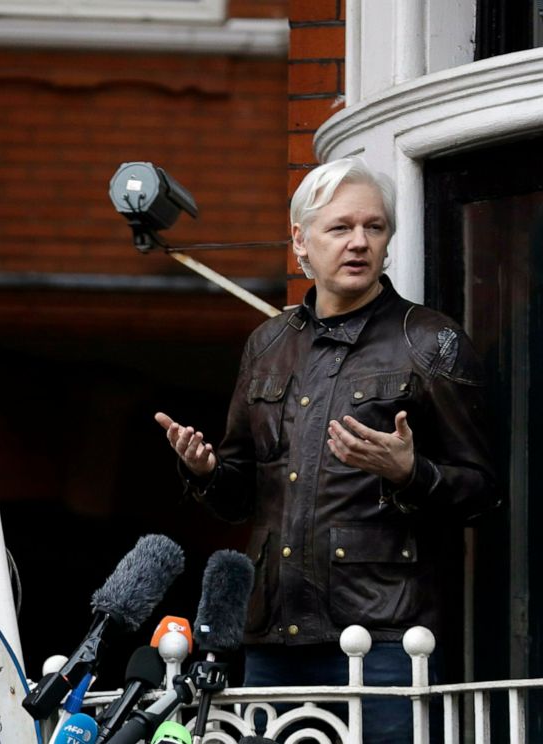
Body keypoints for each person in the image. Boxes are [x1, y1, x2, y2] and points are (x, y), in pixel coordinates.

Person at [155, 157, 497, 744]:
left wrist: (410, 473)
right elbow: (240, 497)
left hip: (386, 639)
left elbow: (484, 495)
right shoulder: (267, 345)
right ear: (301, 241)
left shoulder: (432, 340)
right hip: (273, 638)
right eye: (340, 227)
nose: (359, 242)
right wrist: (207, 471)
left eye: (374, 227)